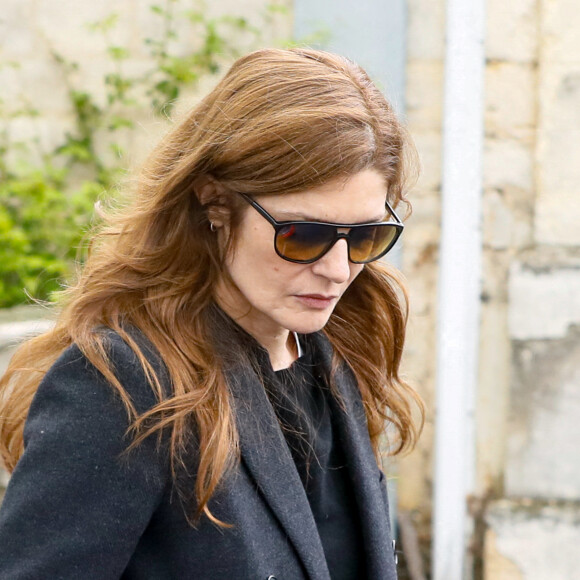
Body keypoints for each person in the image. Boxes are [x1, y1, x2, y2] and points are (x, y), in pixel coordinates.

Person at [0, 47, 423, 579]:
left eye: (365, 236)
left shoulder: (336, 352)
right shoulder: (124, 383)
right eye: (303, 235)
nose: (338, 270)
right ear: (214, 204)